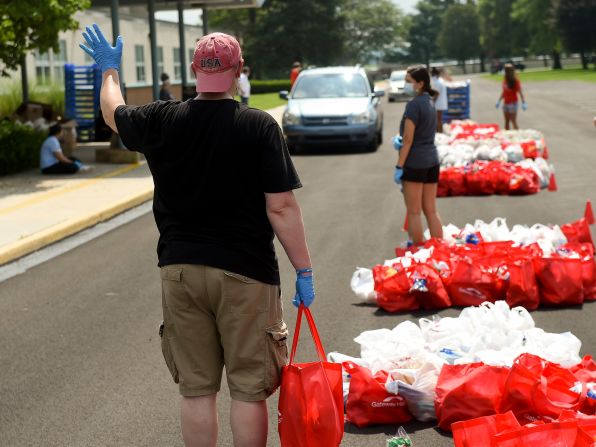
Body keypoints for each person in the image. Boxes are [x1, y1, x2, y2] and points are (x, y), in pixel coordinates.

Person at [80, 25, 315, 447]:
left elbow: (113, 114)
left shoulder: (160, 119)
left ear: (193, 70)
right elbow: (280, 207)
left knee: (196, 389)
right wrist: (304, 269)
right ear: (238, 69)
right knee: (247, 388)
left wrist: (110, 72)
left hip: (180, 271)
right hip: (247, 274)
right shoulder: (258, 127)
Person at [393, 65, 443, 246]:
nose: (405, 85)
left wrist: (399, 166)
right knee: (430, 210)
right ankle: (439, 249)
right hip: (431, 160)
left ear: (420, 83)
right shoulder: (430, 101)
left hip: (415, 162)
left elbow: (408, 139)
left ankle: (418, 249)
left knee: (414, 211)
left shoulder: (413, 105)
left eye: (408, 81)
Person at [495, 63, 526, 130]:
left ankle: (518, 135)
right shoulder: (505, 80)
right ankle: (507, 136)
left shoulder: (515, 81)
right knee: (506, 121)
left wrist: (523, 103)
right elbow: (504, 92)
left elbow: (520, 92)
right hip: (506, 103)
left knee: (513, 121)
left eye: (508, 70)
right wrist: (499, 101)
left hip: (513, 103)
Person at [431, 67, 448, 133]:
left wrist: (432, 102)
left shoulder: (437, 82)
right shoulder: (440, 81)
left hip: (438, 104)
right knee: (438, 119)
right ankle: (439, 131)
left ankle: (440, 132)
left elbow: (436, 93)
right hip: (441, 103)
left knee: (438, 119)